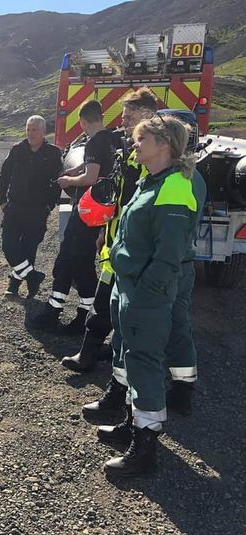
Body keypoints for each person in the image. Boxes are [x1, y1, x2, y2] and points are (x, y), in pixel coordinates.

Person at [101, 115, 204, 477]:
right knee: (133, 358)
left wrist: (145, 293)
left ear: (164, 144)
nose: (136, 144)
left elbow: (168, 254)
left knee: (144, 363)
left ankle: (145, 448)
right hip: (130, 285)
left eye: (142, 138)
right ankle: (133, 425)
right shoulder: (151, 180)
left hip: (146, 292)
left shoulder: (175, 185)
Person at [62, 88, 157, 373]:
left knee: (123, 307)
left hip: (136, 246)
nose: (124, 122)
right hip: (116, 241)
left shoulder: (155, 159)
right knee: (106, 300)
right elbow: (119, 195)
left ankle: (113, 365)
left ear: (147, 117)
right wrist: (106, 229)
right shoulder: (130, 151)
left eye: (130, 118)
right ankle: (91, 353)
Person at [31, 101, 116, 333]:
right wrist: (74, 171)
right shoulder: (110, 139)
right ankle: (58, 308)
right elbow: (96, 167)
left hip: (89, 209)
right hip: (102, 211)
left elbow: (91, 177)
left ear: (83, 122)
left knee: (76, 259)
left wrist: (68, 181)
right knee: (72, 257)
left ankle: (78, 315)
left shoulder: (94, 142)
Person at [0, 115, 63, 298]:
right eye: (28, 129)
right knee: (9, 246)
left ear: (43, 131)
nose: (30, 133)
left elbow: (58, 181)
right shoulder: (17, 149)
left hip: (37, 210)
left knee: (28, 248)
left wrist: (50, 204)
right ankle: (33, 277)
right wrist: (2, 200)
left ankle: (17, 285)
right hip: (14, 207)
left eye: (34, 129)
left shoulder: (53, 153)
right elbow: (4, 175)